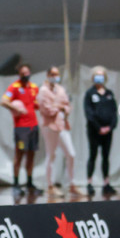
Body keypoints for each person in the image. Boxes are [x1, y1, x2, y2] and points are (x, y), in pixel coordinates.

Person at [37, 66, 82, 198]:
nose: (55, 77)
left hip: (62, 124)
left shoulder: (61, 89)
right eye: (52, 74)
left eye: (56, 74)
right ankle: (50, 186)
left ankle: (72, 184)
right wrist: (60, 107)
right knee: (51, 155)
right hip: (49, 125)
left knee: (71, 154)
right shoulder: (43, 91)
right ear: (47, 75)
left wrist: (61, 107)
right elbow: (47, 109)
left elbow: (67, 106)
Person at [0, 63, 42, 197]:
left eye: (28, 73)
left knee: (31, 155)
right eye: (23, 74)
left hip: (33, 126)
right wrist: (16, 108)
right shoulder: (14, 87)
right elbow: (3, 101)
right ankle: (16, 184)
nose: (26, 76)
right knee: (19, 155)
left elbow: (36, 104)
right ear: (19, 74)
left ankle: (30, 183)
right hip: (21, 128)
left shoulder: (34, 87)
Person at [83, 66, 118, 197]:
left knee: (105, 157)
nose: (99, 77)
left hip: (108, 131)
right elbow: (89, 113)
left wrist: (110, 127)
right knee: (92, 155)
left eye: (101, 75)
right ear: (93, 78)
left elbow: (114, 112)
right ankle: (89, 183)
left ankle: (106, 183)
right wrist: (99, 128)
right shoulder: (90, 93)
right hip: (94, 131)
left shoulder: (109, 93)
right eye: (97, 75)